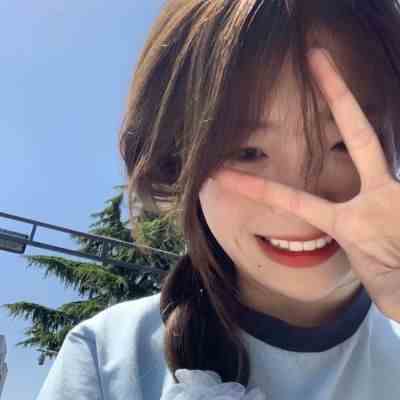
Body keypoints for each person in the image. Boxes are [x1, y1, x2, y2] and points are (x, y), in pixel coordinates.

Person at [37, 0, 400, 399]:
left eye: (342, 144)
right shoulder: (107, 359)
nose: (298, 201)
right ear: (179, 162)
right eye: (247, 151)